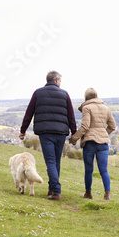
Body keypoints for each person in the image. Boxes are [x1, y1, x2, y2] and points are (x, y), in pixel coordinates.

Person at [19, 71, 77, 202]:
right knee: (56, 161)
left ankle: (55, 191)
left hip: (45, 133)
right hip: (61, 133)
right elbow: (71, 116)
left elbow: (29, 113)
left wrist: (23, 130)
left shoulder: (38, 93)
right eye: (60, 81)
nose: (60, 83)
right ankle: (52, 189)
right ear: (56, 80)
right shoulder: (65, 94)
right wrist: (74, 133)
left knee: (50, 161)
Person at [69, 88, 116, 200]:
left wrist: (74, 138)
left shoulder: (87, 108)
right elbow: (112, 126)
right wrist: (103, 134)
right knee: (103, 170)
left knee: (89, 170)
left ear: (86, 97)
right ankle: (107, 194)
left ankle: (88, 193)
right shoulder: (106, 108)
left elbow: (85, 126)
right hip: (103, 143)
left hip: (90, 143)